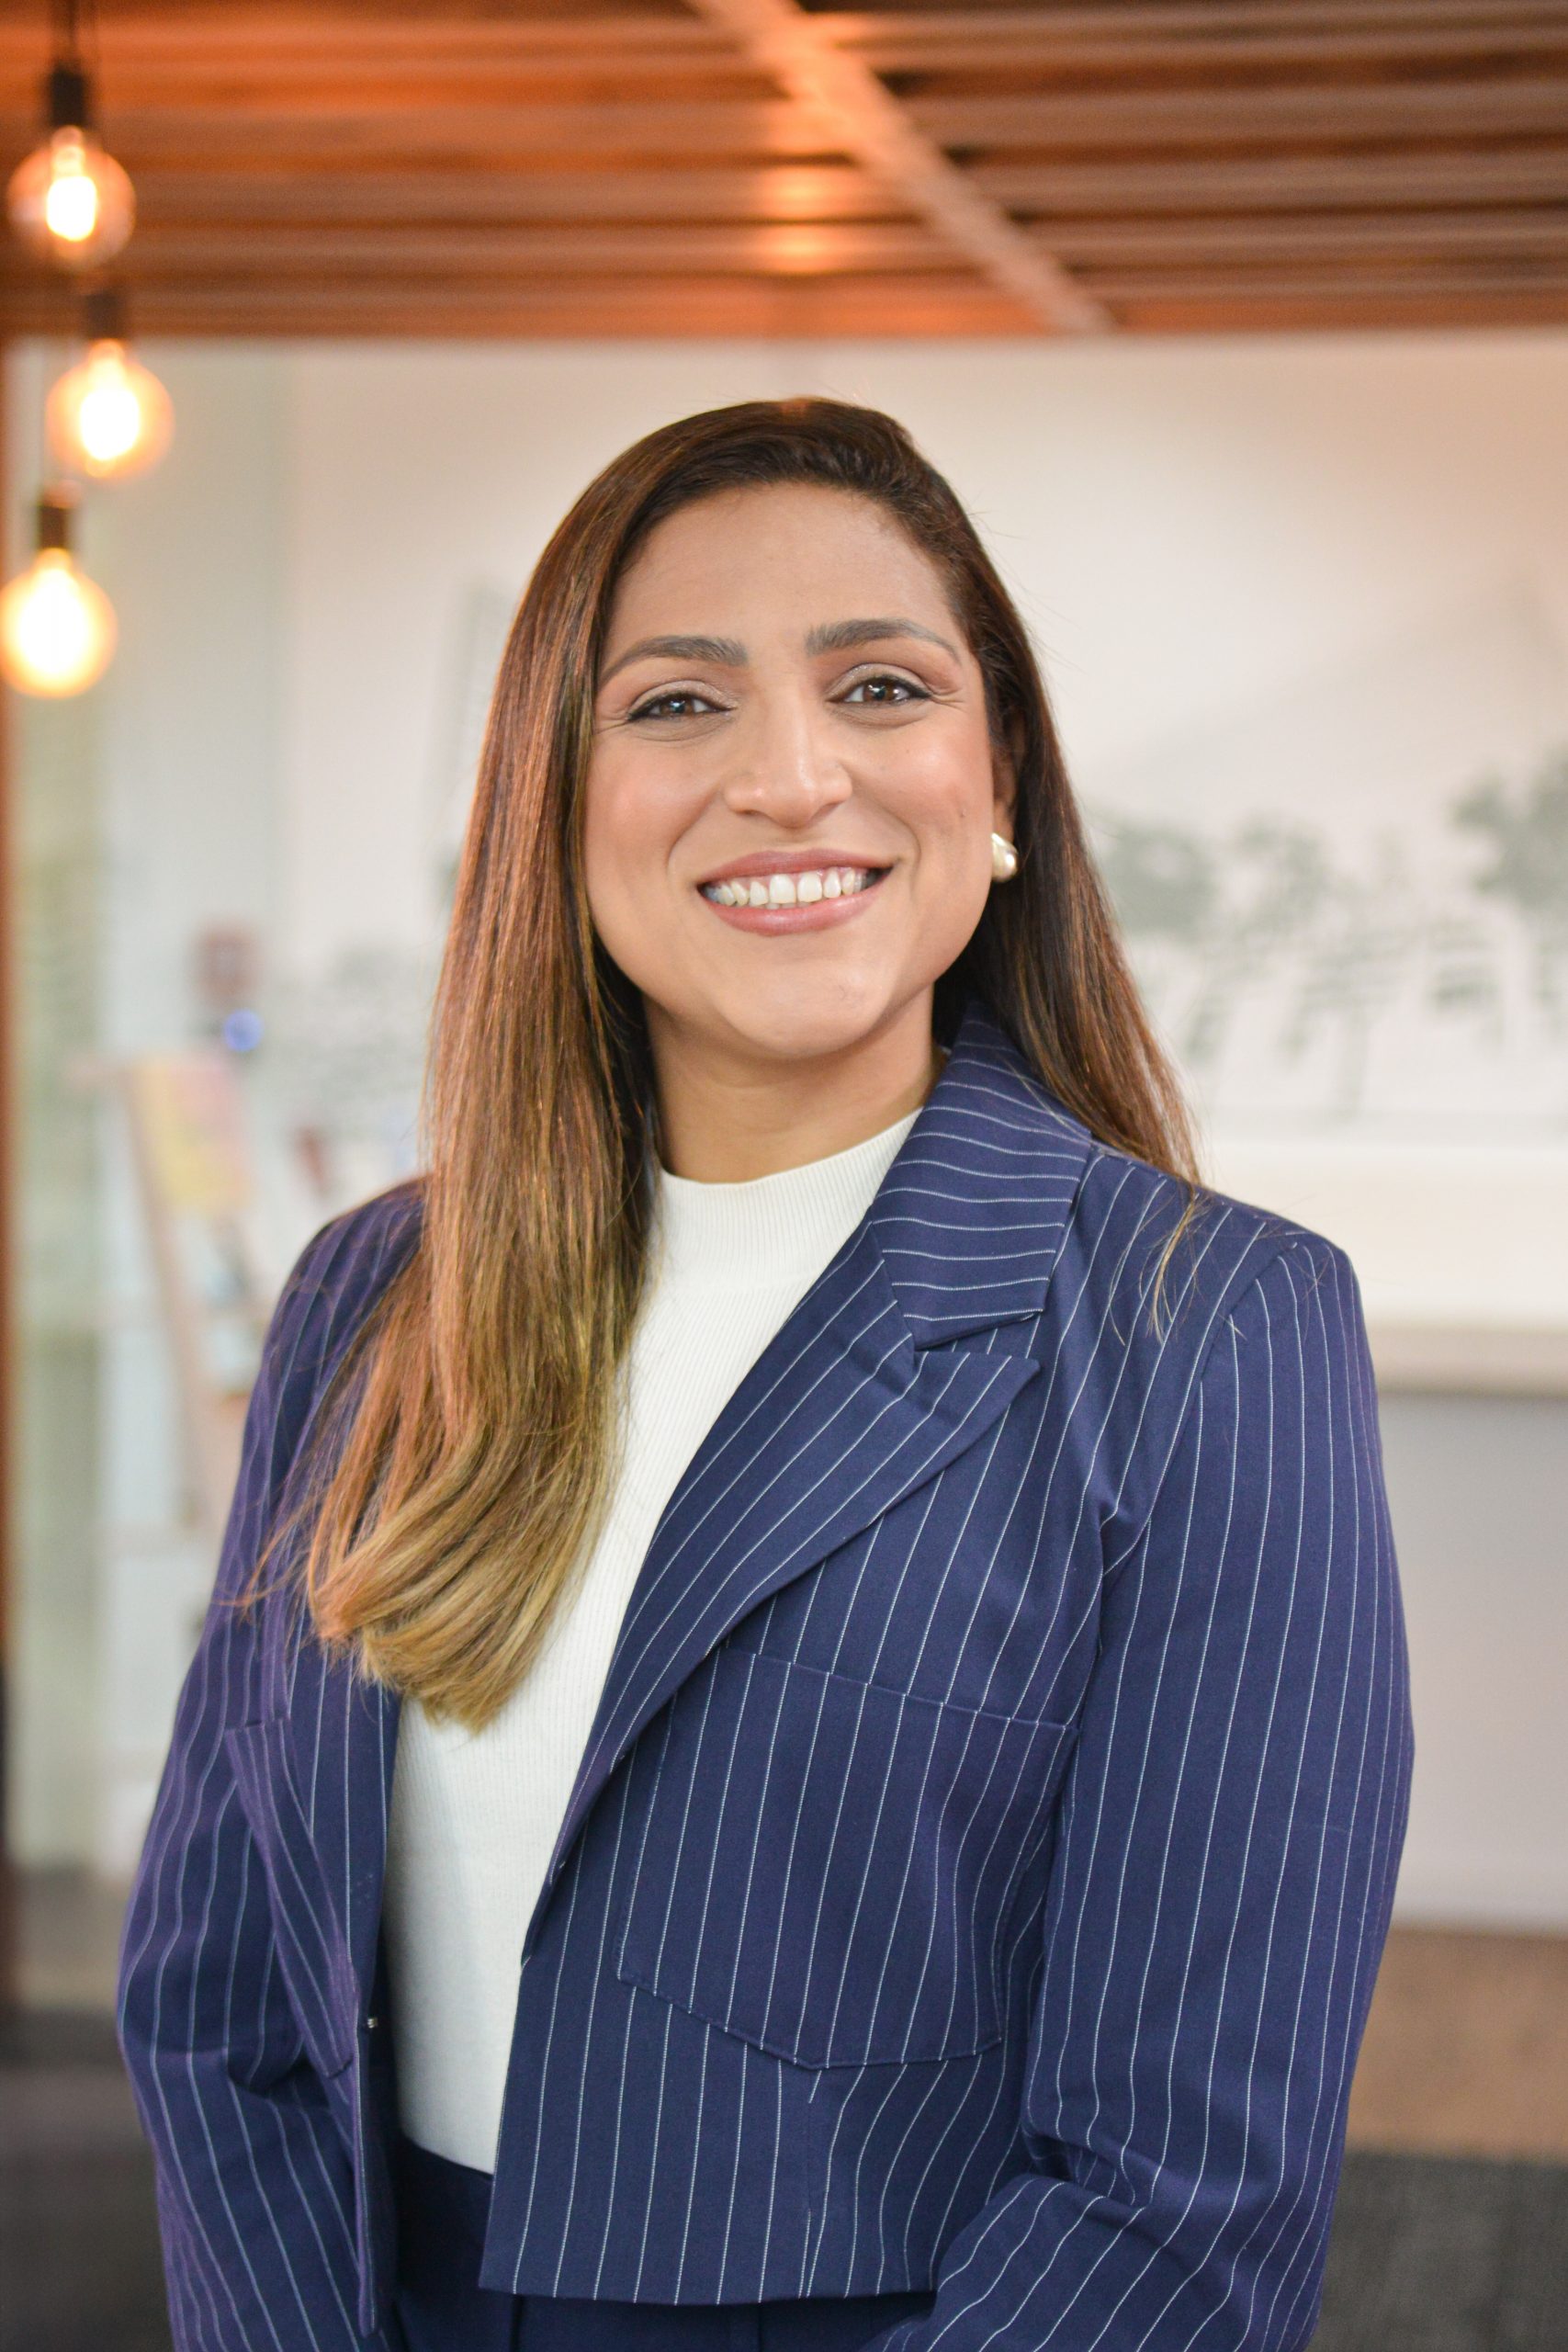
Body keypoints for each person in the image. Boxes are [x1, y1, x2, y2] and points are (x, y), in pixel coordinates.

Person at [117, 398, 1414, 2352]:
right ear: (557, 803)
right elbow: (223, 2006)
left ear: (997, 780)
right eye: (676, 704)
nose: (792, 778)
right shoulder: (373, 1294)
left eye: (878, 687)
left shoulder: (1205, 1328)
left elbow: (1182, 2188)